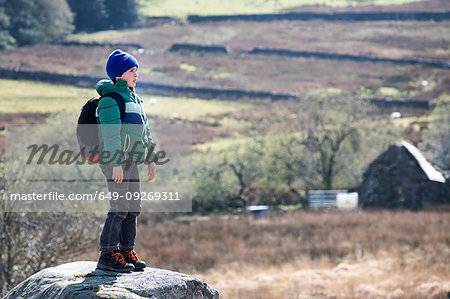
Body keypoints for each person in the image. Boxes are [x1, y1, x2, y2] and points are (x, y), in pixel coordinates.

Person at [96, 49, 157, 272]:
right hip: (115, 162)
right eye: (132, 70)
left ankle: (125, 250)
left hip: (130, 161)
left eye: (136, 70)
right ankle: (108, 254)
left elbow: (145, 133)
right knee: (120, 207)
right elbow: (110, 134)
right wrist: (115, 163)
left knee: (133, 207)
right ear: (118, 75)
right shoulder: (110, 100)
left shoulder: (136, 99)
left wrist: (150, 159)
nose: (136, 74)